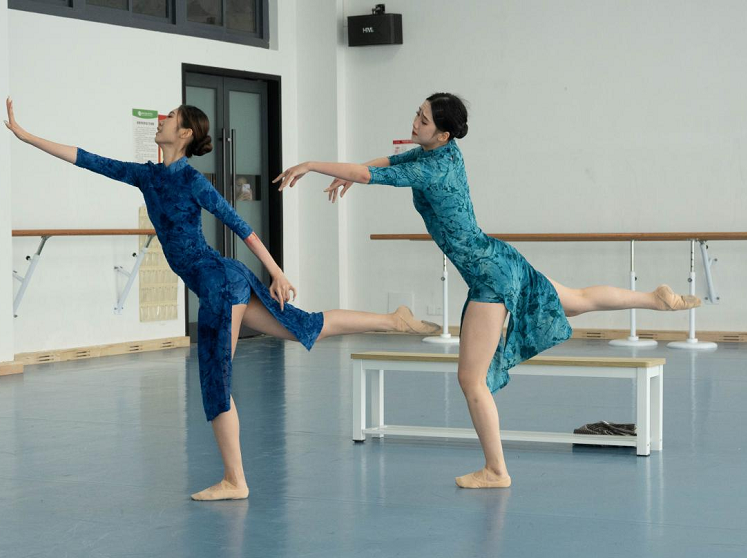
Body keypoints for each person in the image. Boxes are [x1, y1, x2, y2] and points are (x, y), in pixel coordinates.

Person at [4, 98, 439, 500]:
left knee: (216, 379)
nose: (163, 121)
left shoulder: (192, 181)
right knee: (302, 327)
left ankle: (235, 480)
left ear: (185, 133)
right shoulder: (147, 175)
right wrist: (26, 136)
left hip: (219, 285)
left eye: (171, 118)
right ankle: (392, 320)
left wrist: (276, 271)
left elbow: (239, 225)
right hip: (225, 280)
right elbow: (87, 159)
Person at [274, 92, 699, 489]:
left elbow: (372, 173)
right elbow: (385, 161)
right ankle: (653, 298)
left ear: (443, 133)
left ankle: (496, 470)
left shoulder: (432, 168)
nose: (415, 122)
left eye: (423, 120)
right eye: (417, 114)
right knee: (576, 300)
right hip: (499, 258)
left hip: (488, 277)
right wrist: (348, 174)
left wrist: (313, 165)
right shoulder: (441, 153)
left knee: (470, 379)